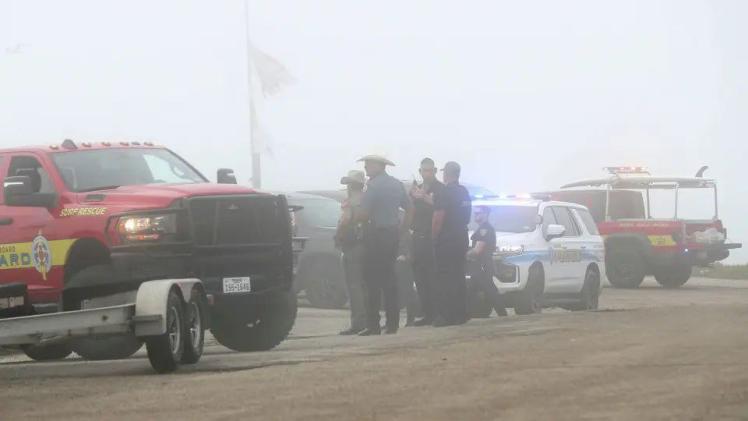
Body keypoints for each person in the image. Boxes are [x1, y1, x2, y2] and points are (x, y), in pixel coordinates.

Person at [356, 155, 414, 335]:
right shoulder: (397, 184)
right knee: (389, 279)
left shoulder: (372, 186)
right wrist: (402, 230)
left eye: (368, 165)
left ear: (379, 166)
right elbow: (410, 208)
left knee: (371, 281)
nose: (365, 168)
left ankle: (373, 325)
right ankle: (392, 323)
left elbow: (364, 215)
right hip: (391, 235)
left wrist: (354, 213)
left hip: (374, 235)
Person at [432, 161, 472, 327]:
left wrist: (433, 237)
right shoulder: (464, 192)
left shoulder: (444, 191)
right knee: (458, 275)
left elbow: (438, 218)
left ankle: (446, 315)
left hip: (447, 238)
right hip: (461, 236)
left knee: (445, 277)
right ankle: (461, 314)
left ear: (446, 174)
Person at [408, 158, 444, 326]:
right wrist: (413, 196)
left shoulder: (440, 189)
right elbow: (410, 211)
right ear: (420, 171)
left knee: (433, 277)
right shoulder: (417, 189)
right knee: (420, 277)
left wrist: (425, 197)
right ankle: (427, 313)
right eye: (424, 170)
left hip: (432, 237)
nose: (427, 173)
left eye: (430, 170)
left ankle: (437, 313)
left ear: (435, 171)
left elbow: (442, 209)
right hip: (417, 237)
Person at [334, 170, 368, 335]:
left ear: (351, 185)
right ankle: (369, 321)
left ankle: (358, 323)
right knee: (365, 285)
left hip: (352, 246)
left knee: (354, 286)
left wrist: (338, 236)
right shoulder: (368, 199)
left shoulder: (351, 202)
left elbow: (345, 220)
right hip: (367, 245)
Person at [466, 205, 507, 317]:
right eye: (475, 213)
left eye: (478, 213)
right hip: (480, 266)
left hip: (482, 266)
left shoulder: (484, 229)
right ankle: (467, 313)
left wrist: (463, 255)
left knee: (490, 290)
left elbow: (478, 250)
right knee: (472, 290)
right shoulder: (482, 228)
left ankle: (503, 314)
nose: (475, 215)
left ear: (485, 214)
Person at [395, 227, 420, 326]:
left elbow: (411, 253)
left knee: (407, 291)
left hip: (404, 266)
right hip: (395, 265)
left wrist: (406, 258)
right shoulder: (397, 233)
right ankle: (393, 320)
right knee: (395, 293)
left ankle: (410, 319)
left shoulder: (406, 235)